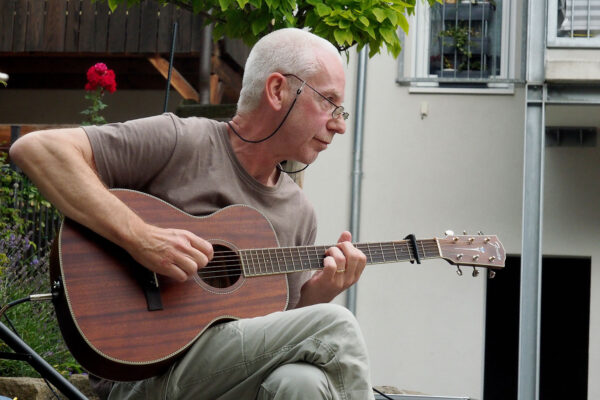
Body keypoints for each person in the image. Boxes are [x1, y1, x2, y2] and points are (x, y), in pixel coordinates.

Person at [10, 28, 374, 400]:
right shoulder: (182, 142)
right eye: (328, 101)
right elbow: (38, 150)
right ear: (277, 90)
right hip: (145, 373)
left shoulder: (299, 211)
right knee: (339, 325)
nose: (340, 124)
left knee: (301, 382)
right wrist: (141, 238)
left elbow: (281, 329)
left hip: (226, 381)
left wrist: (323, 290)